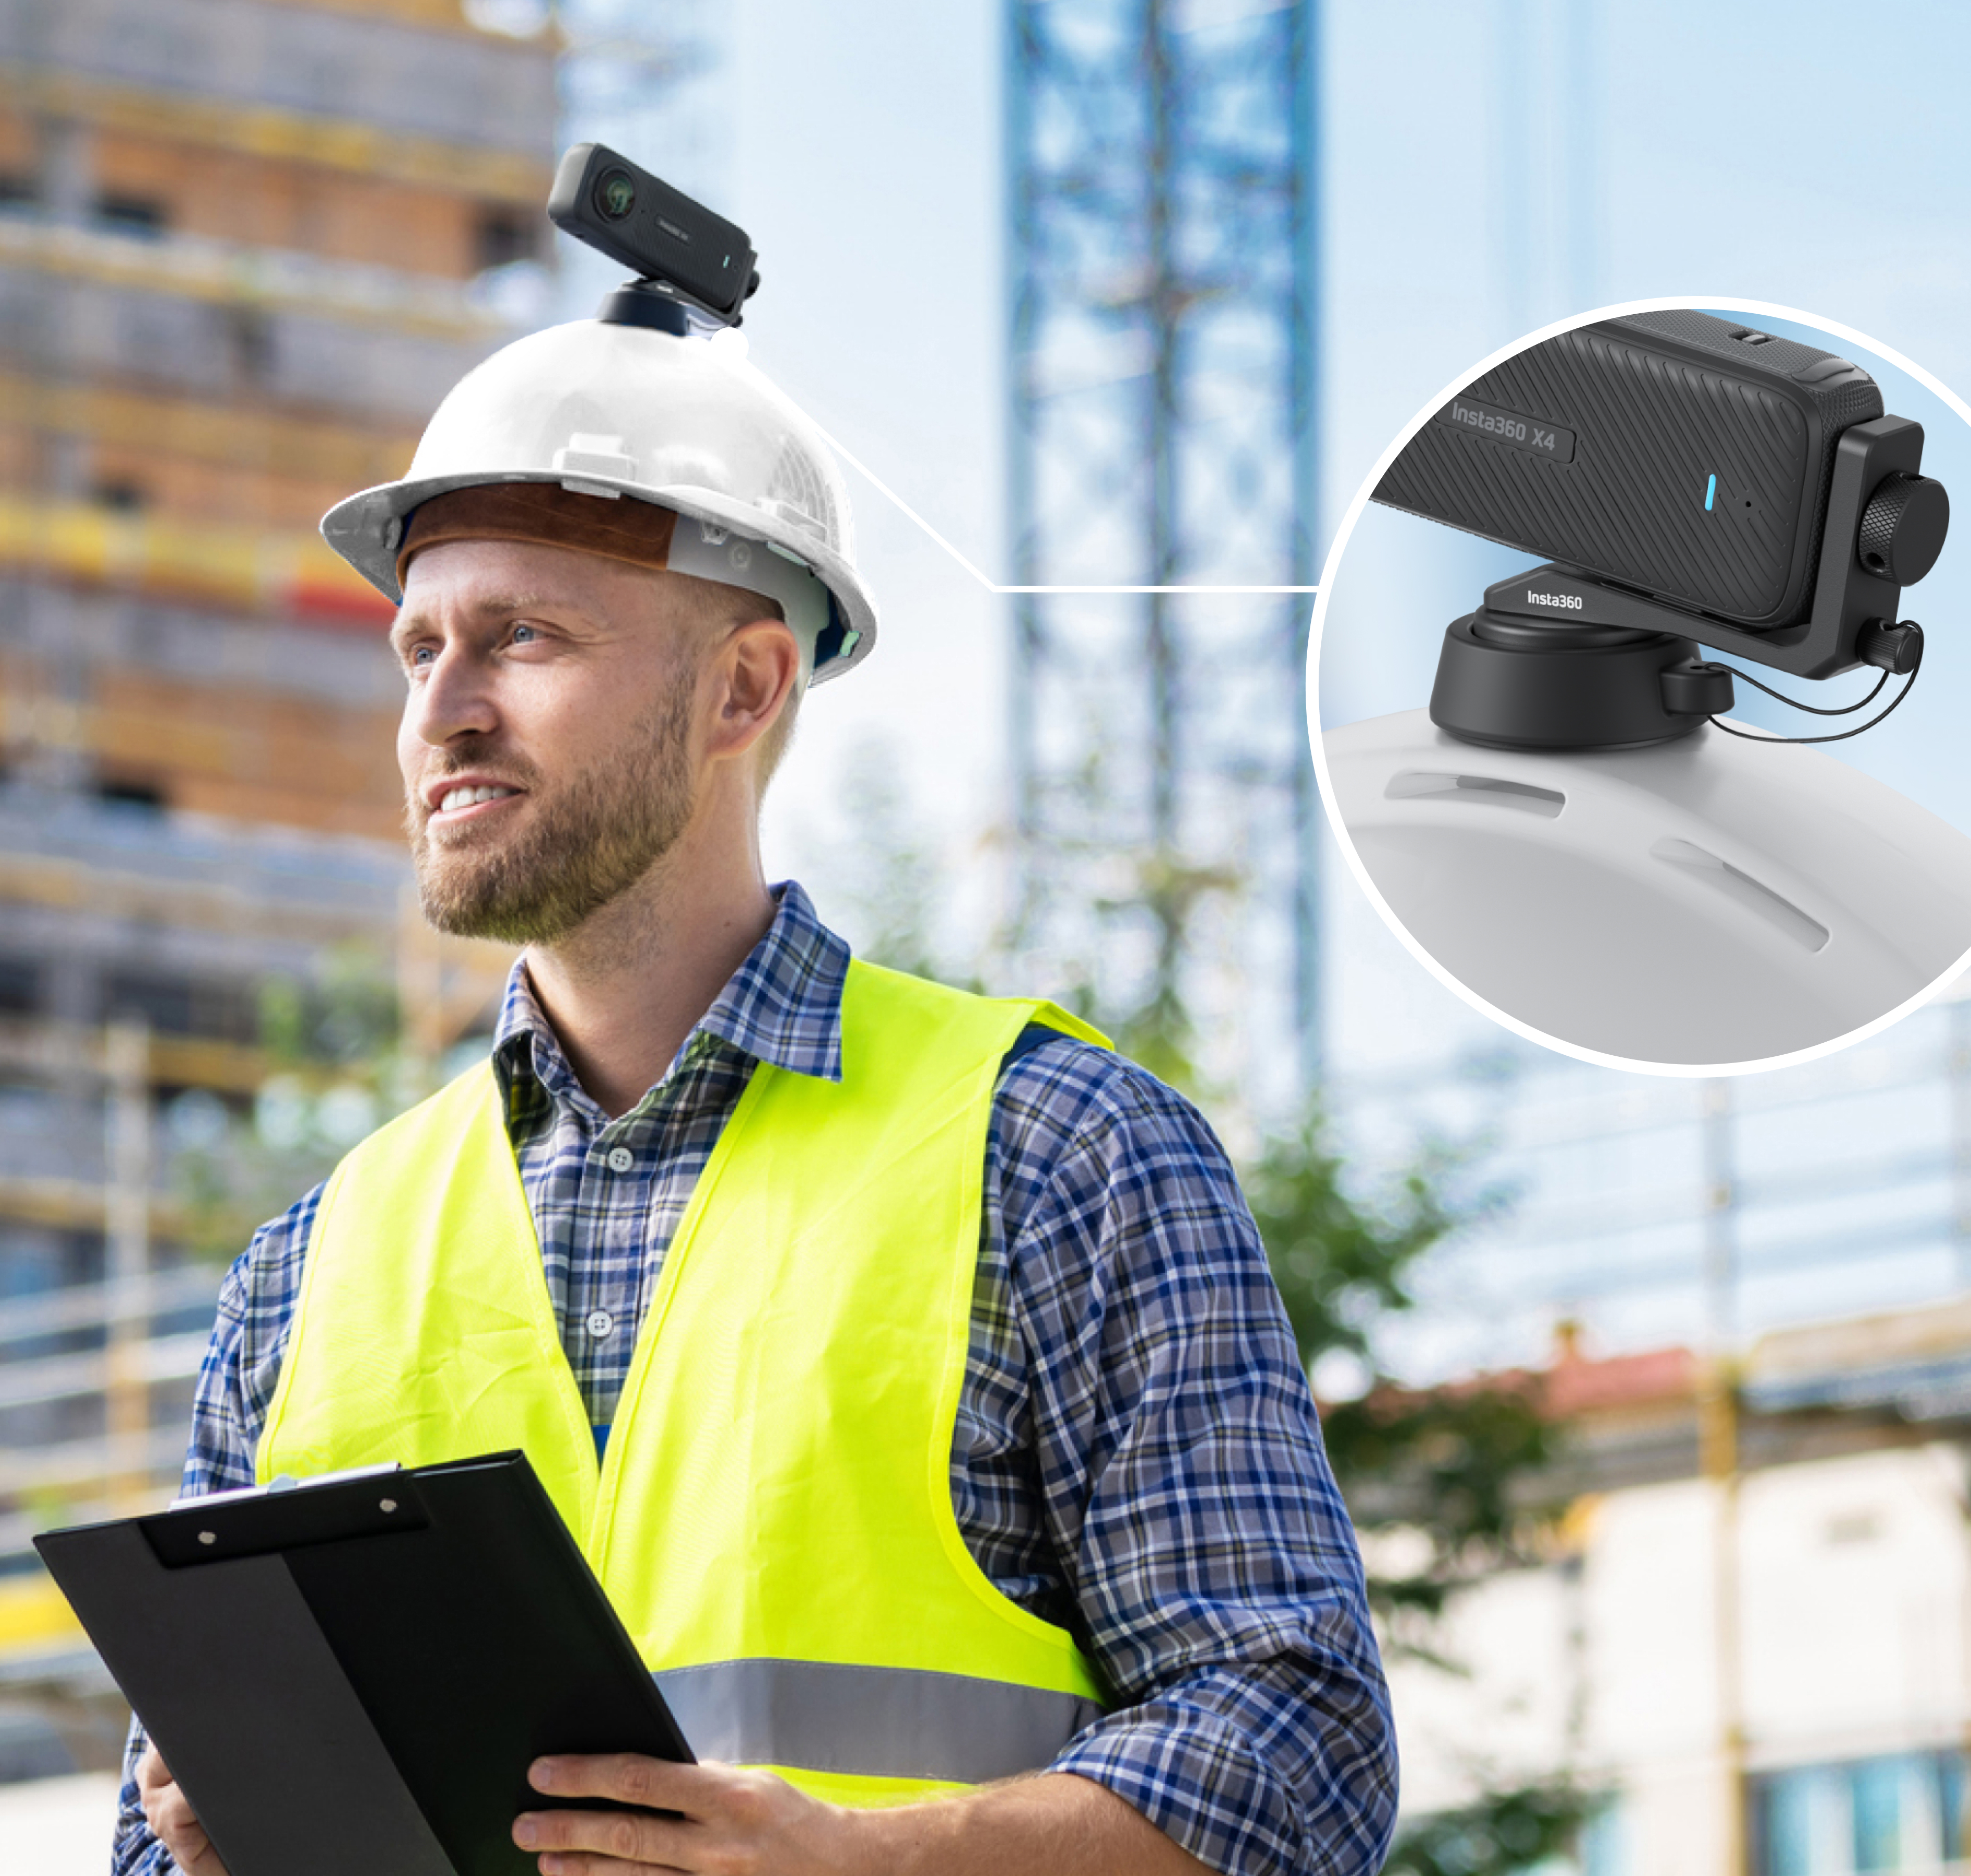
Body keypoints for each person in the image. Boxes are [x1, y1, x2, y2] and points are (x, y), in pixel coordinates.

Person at [109, 293, 1393, 1876]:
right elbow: (144, 1846)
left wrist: (870, 1863)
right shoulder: (305, 1273)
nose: (442, 708)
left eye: (525, 637)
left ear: (745, 687)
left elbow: (1301, 1742)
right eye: (420, 648)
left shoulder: (1060, 1153)